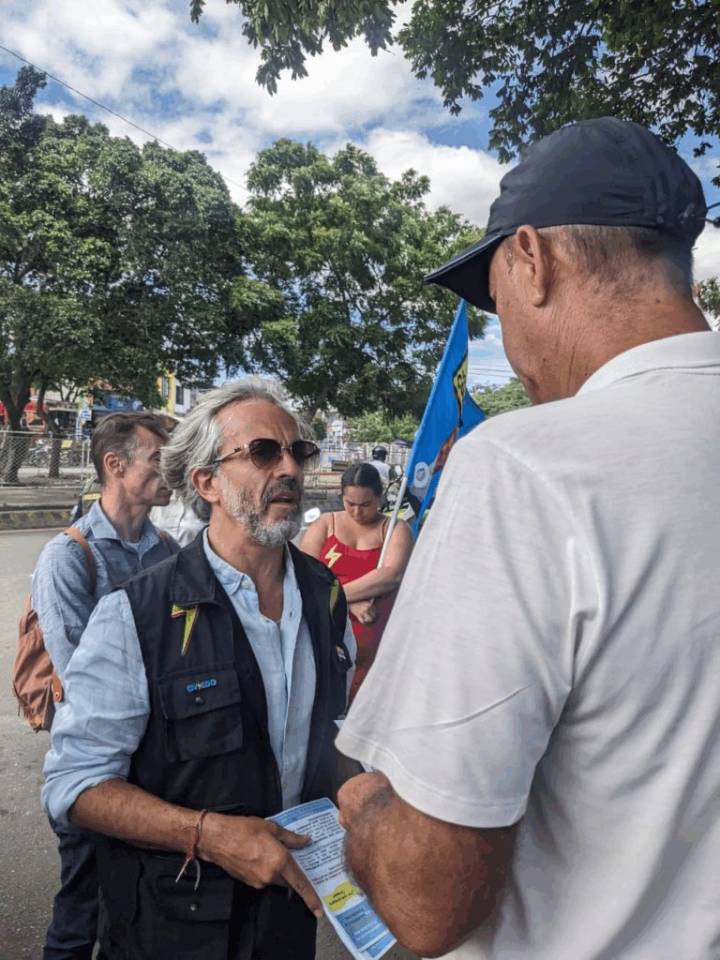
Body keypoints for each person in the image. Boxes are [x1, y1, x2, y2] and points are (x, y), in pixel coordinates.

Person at [335, 117, 720, 959]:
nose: (505, 339)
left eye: (494, 300)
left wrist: (363, 810)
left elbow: (429, 901)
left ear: (532, 261)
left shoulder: (522, 465)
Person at [42, 381, 356, 960]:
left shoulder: (325, 595)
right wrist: (210, 836)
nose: (290, 468)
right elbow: (74, 784)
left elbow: (333, 733)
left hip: (287, 917)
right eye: (263, 452)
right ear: (206, 481)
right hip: (170, 923)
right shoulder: (135, 615)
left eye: (299, 451)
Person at [32, 412, 178, 960]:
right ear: (115, 466)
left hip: (156, 764)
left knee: (137, 911)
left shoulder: (165, 549)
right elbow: (79, 679)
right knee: (80, 909)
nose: (171, 472)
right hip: (96, 769)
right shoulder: (69, 556)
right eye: (159, 460)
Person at [301, 462, 413, 700]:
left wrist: (338, 596)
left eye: (366, 504)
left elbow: (392, 575)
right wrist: (349, 603)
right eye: (350, 503)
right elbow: (306, 577)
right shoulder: (325, 524)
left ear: (380, 497)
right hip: (324, 641)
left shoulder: (394, 529)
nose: (357, 512)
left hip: (376, 646)